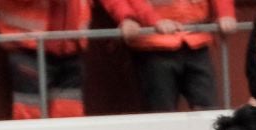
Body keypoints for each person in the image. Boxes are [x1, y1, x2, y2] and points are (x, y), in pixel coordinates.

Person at [102, 0, 238, 112]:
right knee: (162, 113)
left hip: (196, 40)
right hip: (153, 45)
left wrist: (226, 13)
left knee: (208, 110)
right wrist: (152, 20)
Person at [0, 1, 92, 119]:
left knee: (69, 116)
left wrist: (121, 16)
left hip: (69, 50)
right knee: (30, 119)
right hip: (28, 49)